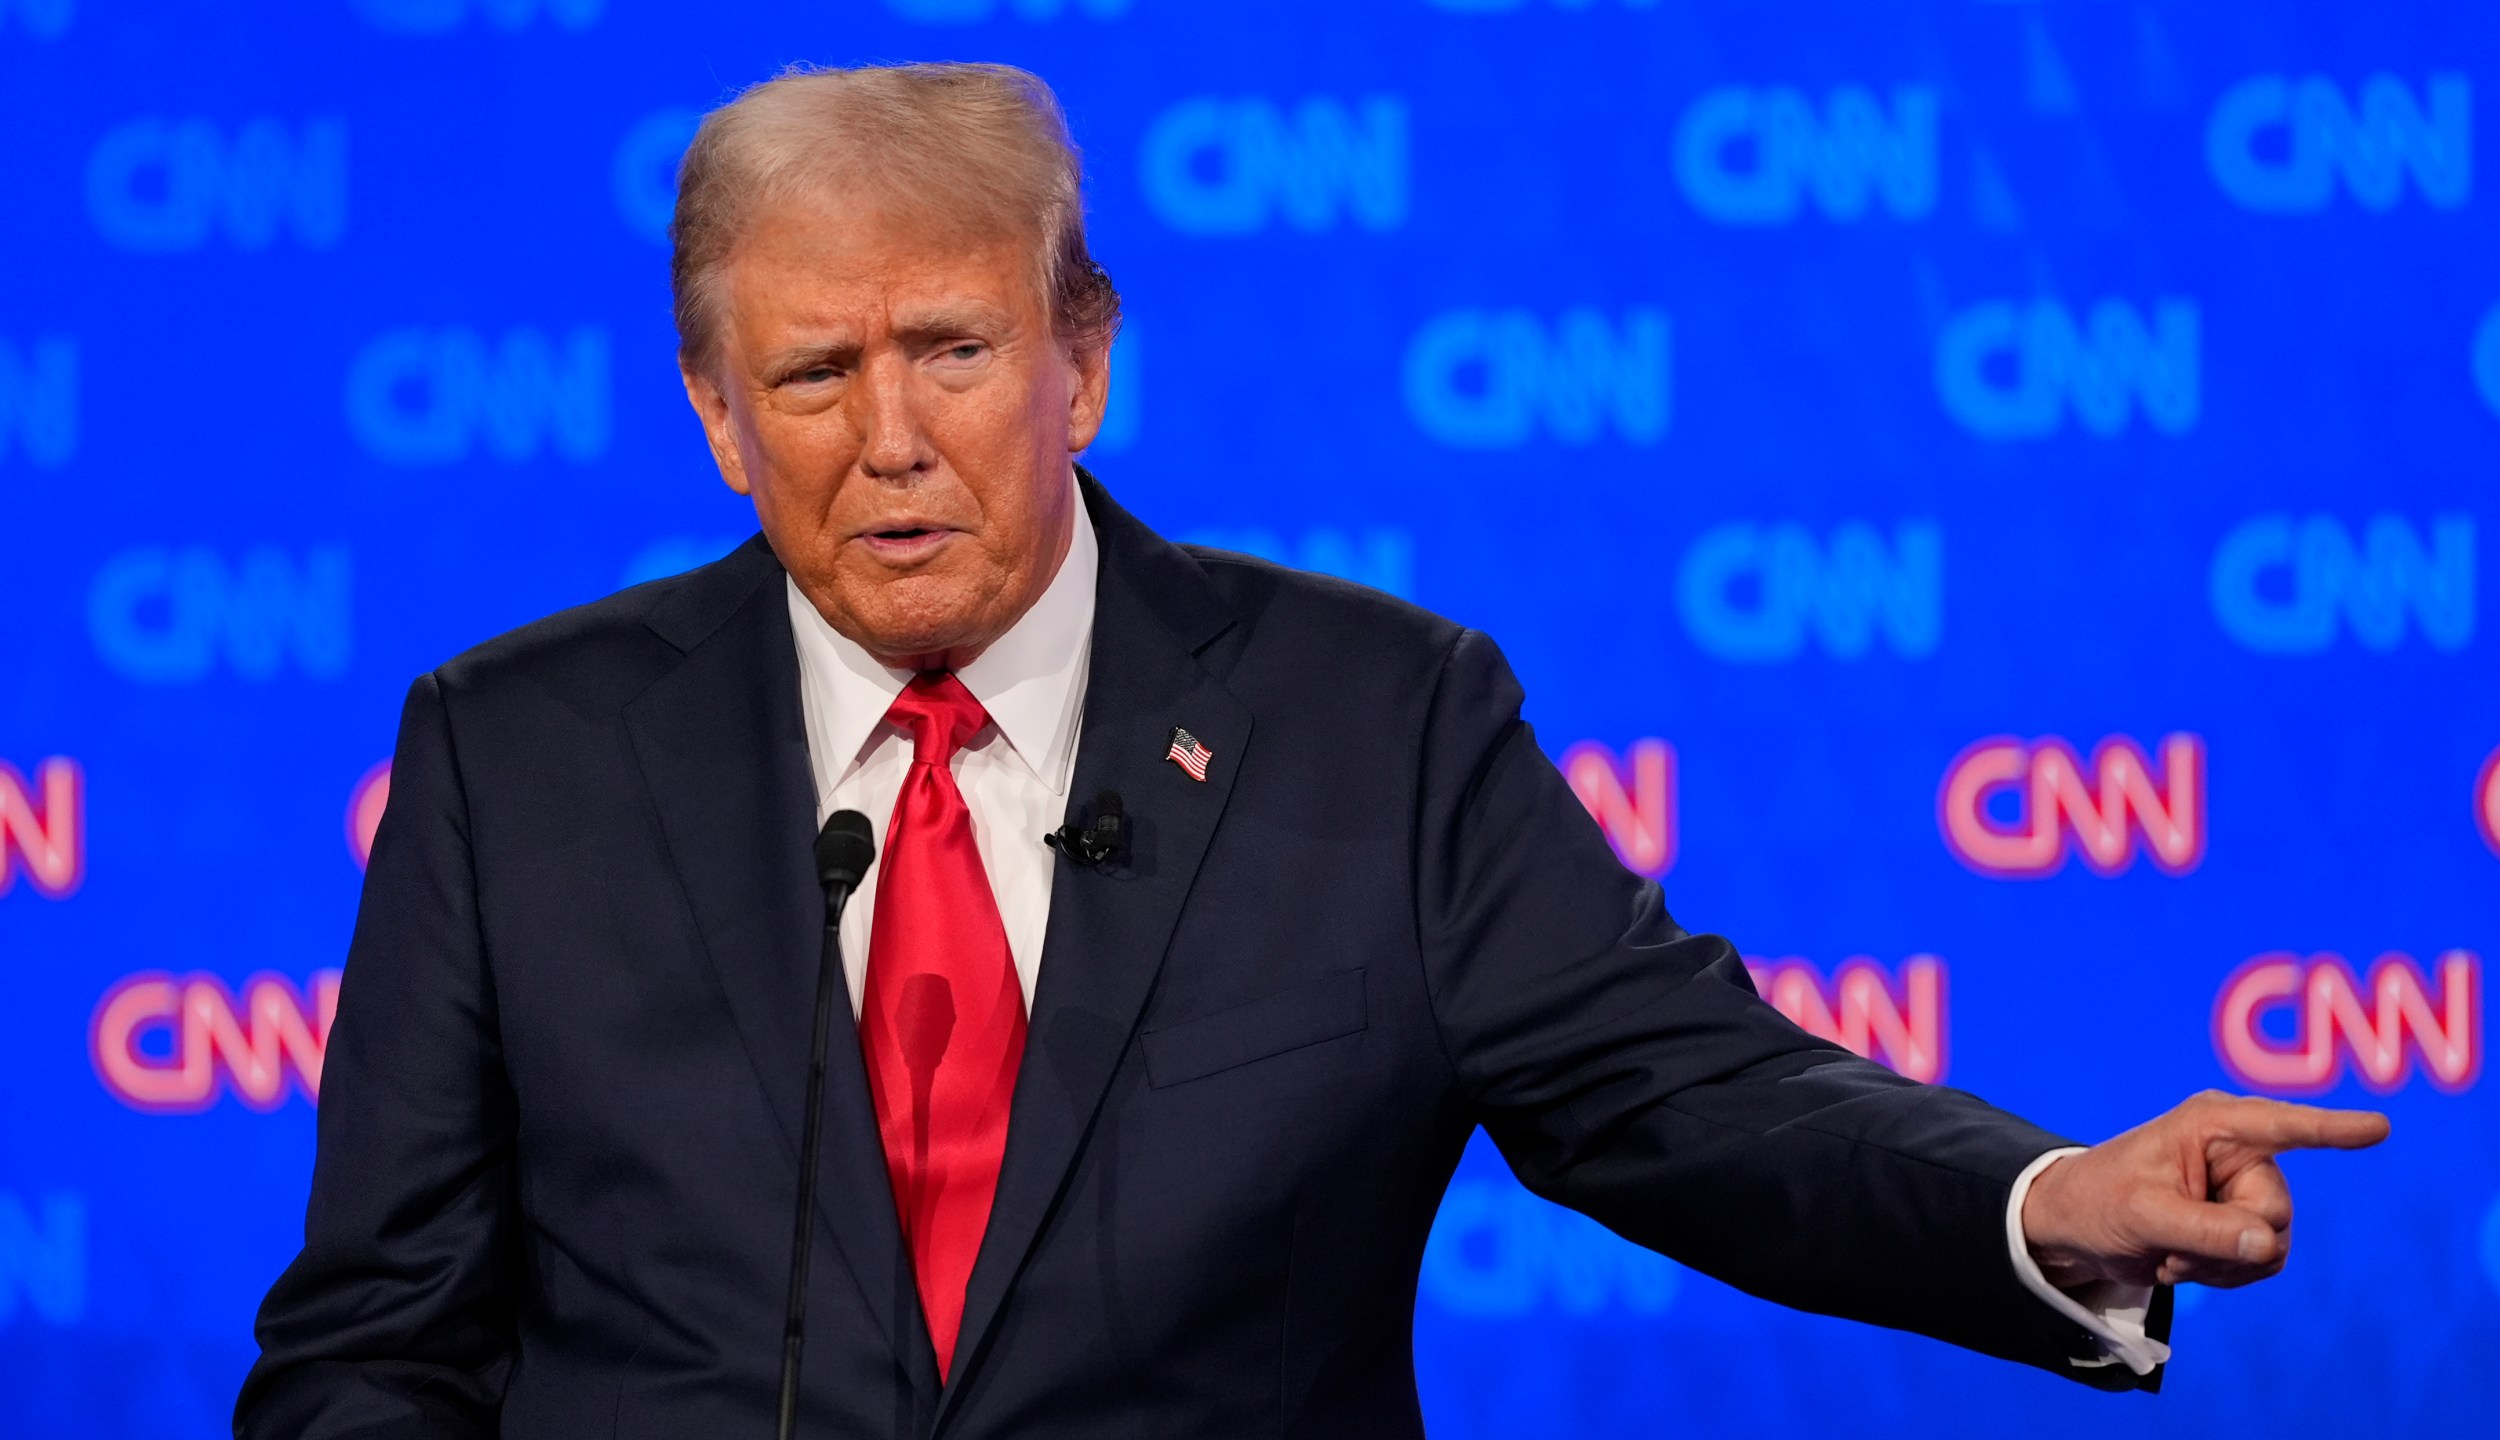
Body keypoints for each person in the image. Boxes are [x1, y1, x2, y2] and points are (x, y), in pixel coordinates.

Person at [236, 62, 2388, 1439]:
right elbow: (375, 1341)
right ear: (713, 413)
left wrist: (2044, 1202)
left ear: (1081, 357)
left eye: (951, 352)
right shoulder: (513, 756)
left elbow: (1685, 1098)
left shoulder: (1373, 720)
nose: (885, 440)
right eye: (808, 375)